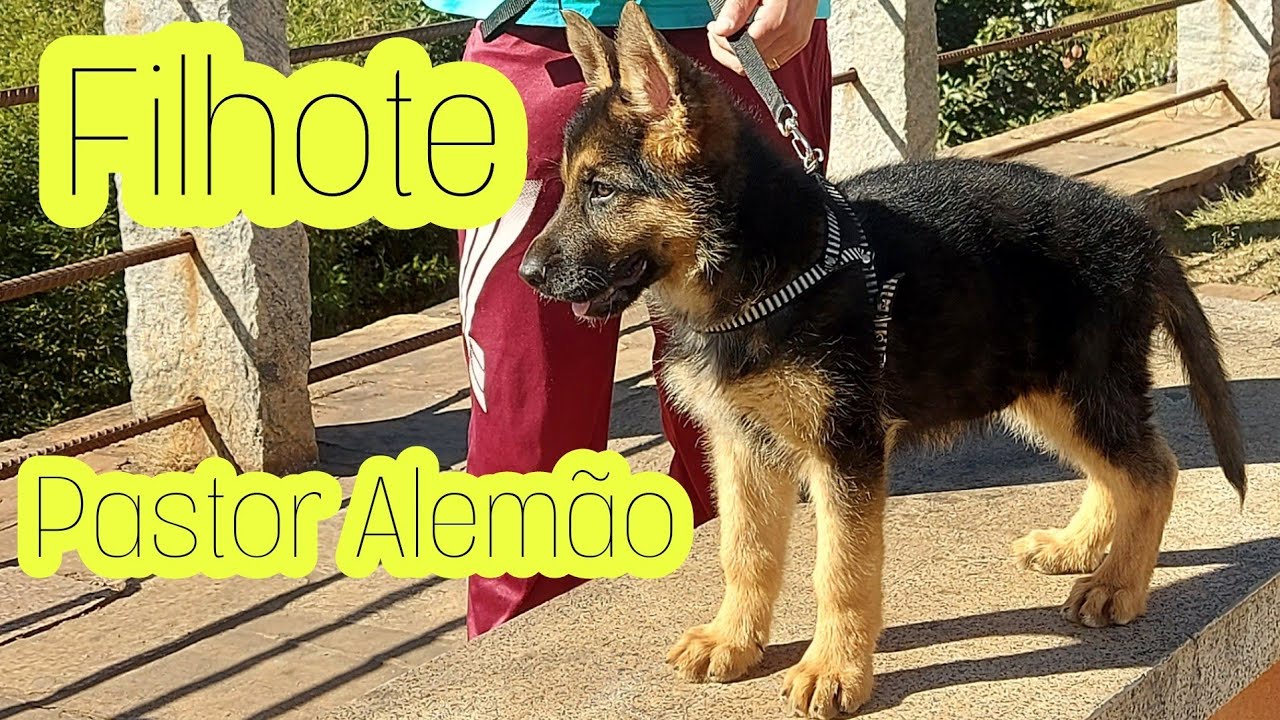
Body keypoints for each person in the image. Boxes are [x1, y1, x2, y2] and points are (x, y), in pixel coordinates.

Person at [422, 0, 834, 638]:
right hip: (541, 38)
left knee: (756, 420)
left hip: (744, 36)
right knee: (525, 446)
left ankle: (725, 667)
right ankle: (518, 689)